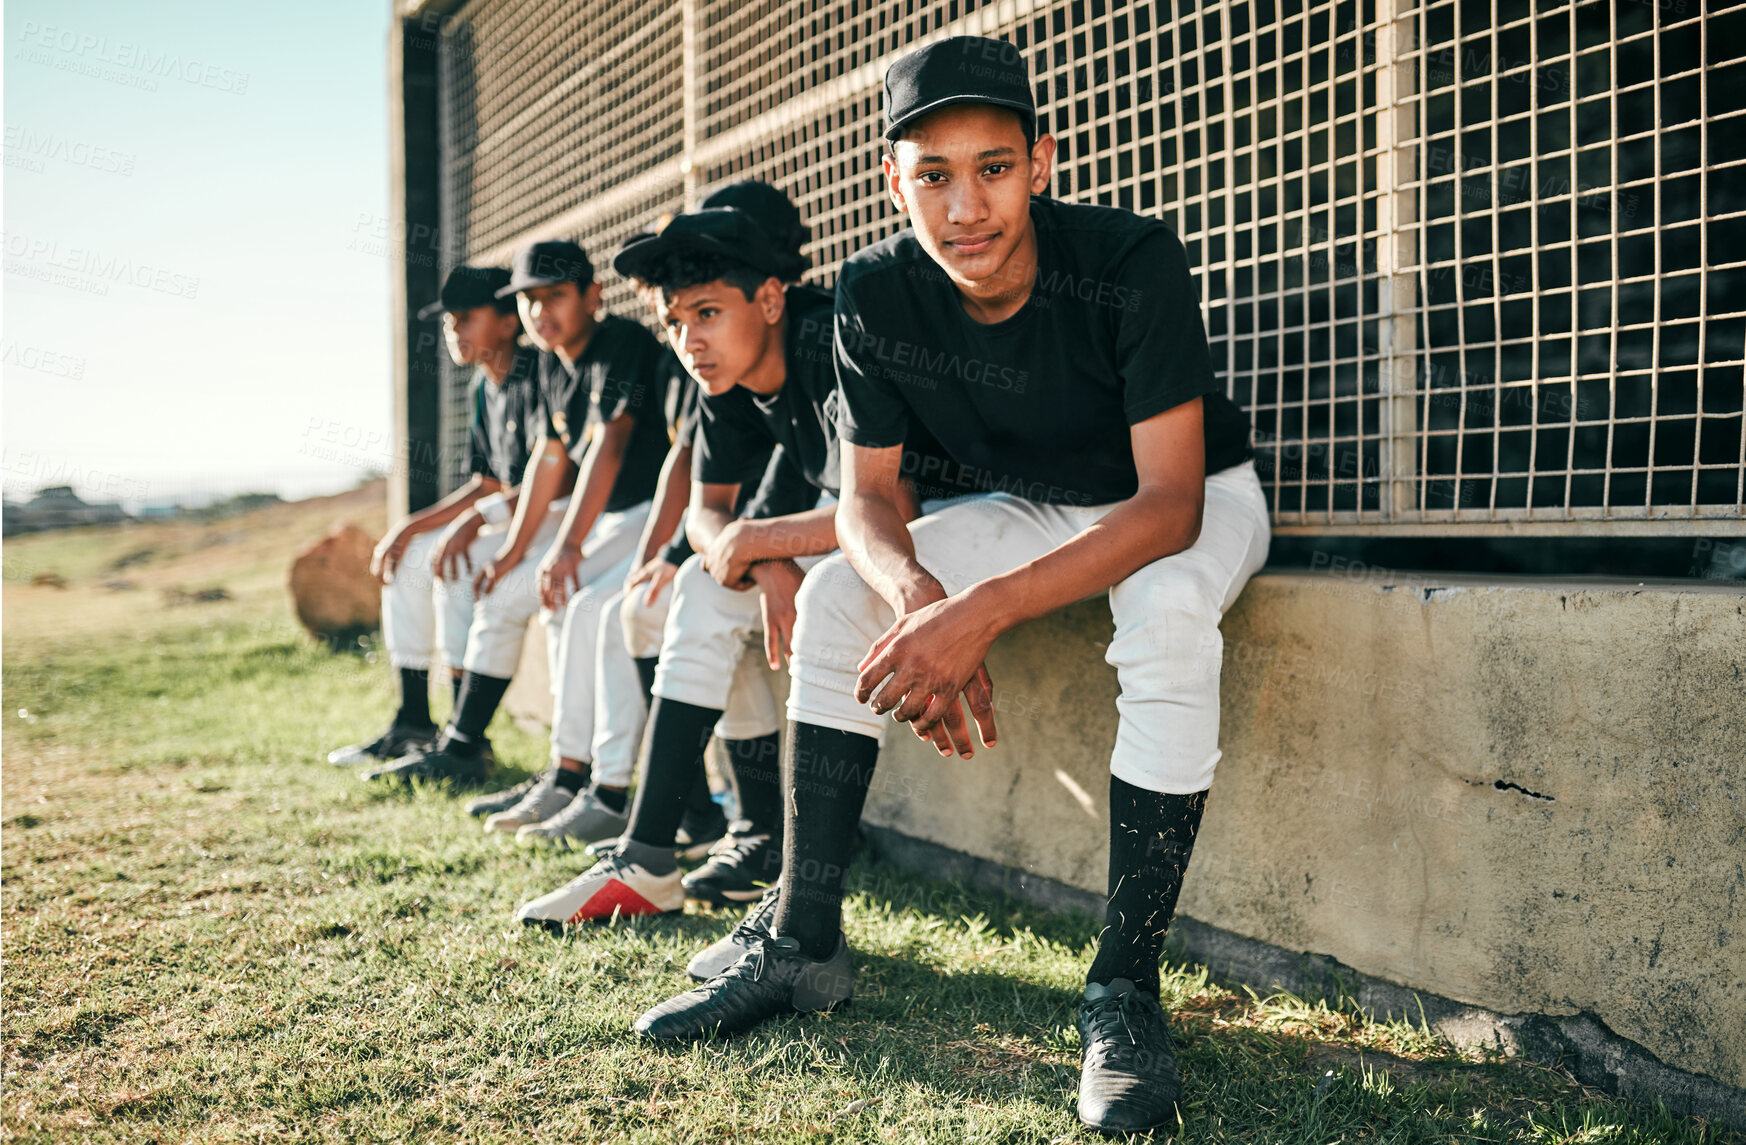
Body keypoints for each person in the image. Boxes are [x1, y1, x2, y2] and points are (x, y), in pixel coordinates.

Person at [631, 37, 1269, 1138]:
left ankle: (1122, 992)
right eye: (933, 173)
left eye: (993, 167)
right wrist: (922, 593)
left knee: (1165, 615)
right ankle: (804, 937)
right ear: (895, 180)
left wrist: (980, 611)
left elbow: (1167, 509)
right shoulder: (877, 293)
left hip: (1192, 491)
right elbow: (864, 504)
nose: (965, 206)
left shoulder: (1129, 259)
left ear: (1042, 162)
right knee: (841, 596)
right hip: (1031, 500)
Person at [514, 206, 855, 929]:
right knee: (698, 588)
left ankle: (776, 845)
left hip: (949, 524)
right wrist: (755, 556)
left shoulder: (830, 337)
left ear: (769, 299)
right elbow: (708, 511)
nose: (688, 340)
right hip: (830, 537)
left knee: (718, 584)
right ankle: (654, 854)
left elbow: (886, 505)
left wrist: (754, 544)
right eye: (674, 321)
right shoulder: (722, 377)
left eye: (706, 312)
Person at [366, 240, 671, 786]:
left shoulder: (618, 341)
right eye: (531, 300)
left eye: (555, 296)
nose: (540, 311)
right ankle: (491, 750)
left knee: (578, 611)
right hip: (599, 520)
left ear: (593, 296)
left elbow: (607, 445)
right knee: (503, 590)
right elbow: (546, 463)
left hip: (643, 515)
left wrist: (564, 545)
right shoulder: (550, 365)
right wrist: (509, 555)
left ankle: (589, 777)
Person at [327, 264, 537, 769]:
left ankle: (468, 740)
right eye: (448, 321)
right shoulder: (482, 388)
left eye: (466, 317)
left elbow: (552, 479)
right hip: (504, 514)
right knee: (411, 556)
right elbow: (485, 482)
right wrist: (408, 528)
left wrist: (467, 523)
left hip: (544, 519)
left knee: (455, 564)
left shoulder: (537, 374)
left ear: (509, 321)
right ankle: (415, 722)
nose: (454, 330)